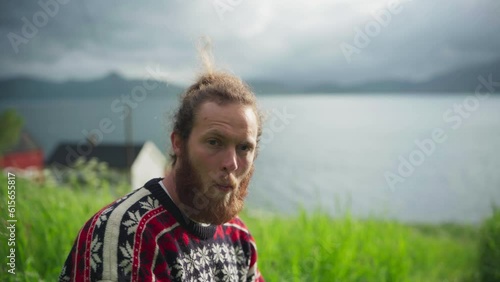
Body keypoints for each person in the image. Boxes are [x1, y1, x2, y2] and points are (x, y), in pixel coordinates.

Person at [59, 45, 265, 281]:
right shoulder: (125, 232)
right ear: (178, 143)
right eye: (214, 142)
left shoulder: (238, 236)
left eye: (244, 148)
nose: (231, 163)